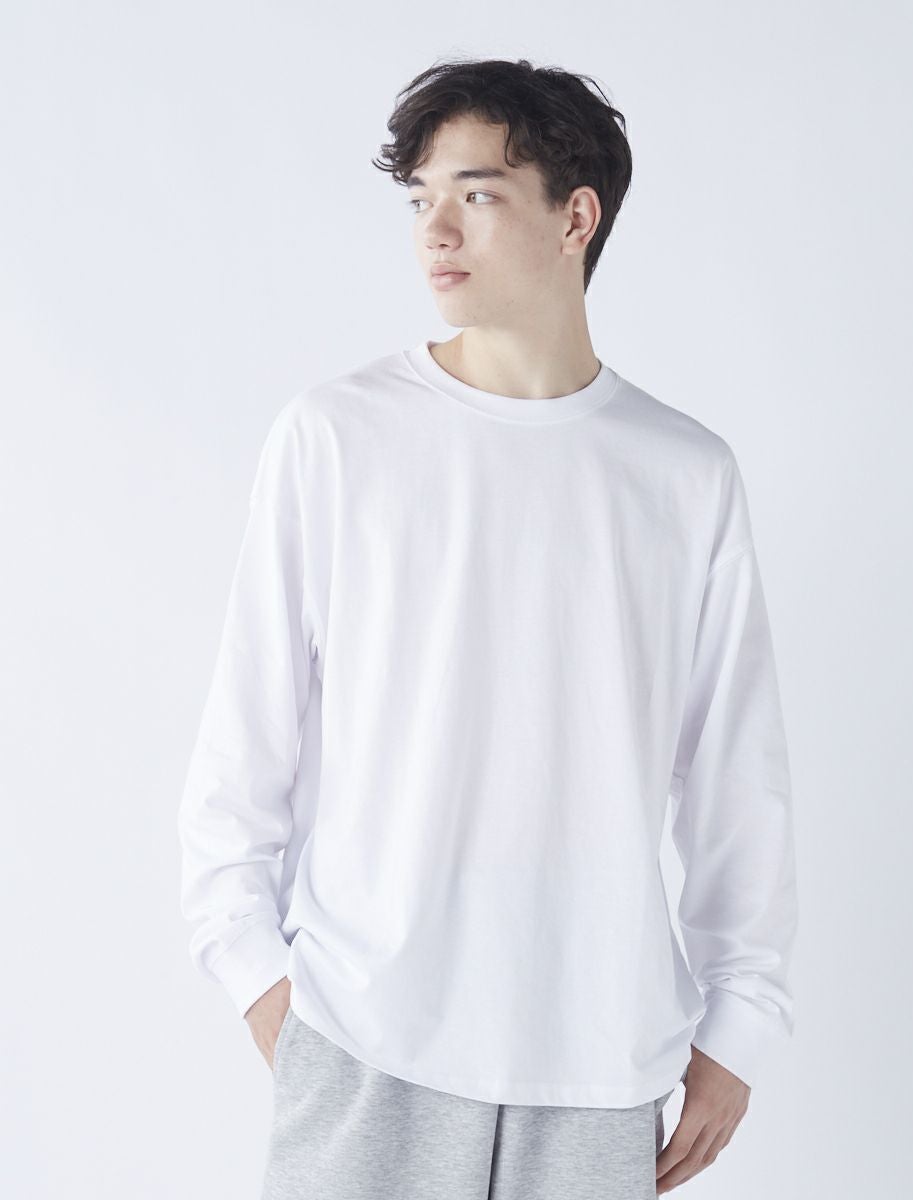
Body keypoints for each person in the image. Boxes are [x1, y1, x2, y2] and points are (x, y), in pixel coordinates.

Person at [177, 57, 798, 1199]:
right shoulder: (338, 438)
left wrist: (739, 1026)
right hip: (367, 1038)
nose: (436, 229)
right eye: (420, 197)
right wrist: (267, 986)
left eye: (476, 193)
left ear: (576, 217)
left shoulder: (683, 475)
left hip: (599, 1055)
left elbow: (734, 776)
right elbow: (244, 744)